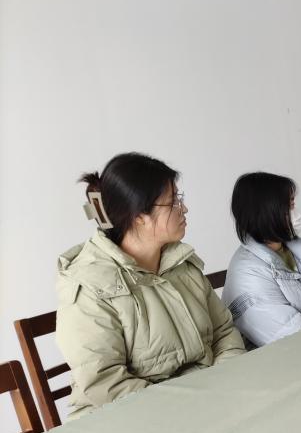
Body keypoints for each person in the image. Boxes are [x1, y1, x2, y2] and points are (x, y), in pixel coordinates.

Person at [56, 152, 245, 419]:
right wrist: (191, 406)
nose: (184, 209)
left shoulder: (181, 263)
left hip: (204, 404)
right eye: (173, 202)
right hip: (126, 420)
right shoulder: (88, 284)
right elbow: (105, 383)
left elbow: (224, 333)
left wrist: (222, 385)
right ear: (138, 216)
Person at [222, 172, 301, 348]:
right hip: (294, 358)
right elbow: (293, 342)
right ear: (266, 212)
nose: (297, 214)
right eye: (290, 206)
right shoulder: (248, 276)